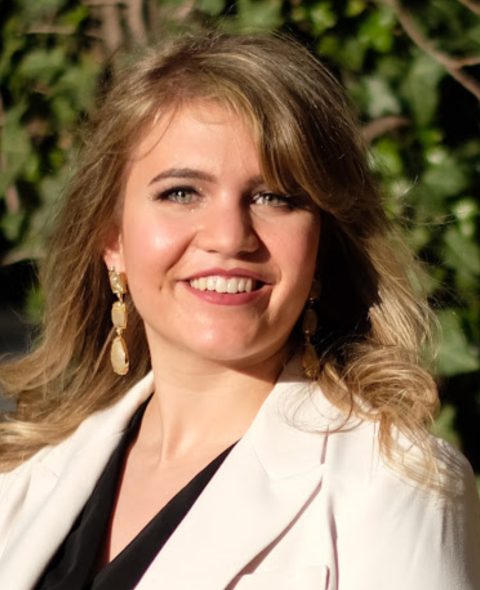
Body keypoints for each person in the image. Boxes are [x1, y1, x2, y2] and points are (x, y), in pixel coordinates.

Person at [0, 30, 479, 590]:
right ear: (113, 240)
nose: (230, 236)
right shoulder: (22, 481)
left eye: (275, 197)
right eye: (181, 192)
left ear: (320, 244)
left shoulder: (397, 483)